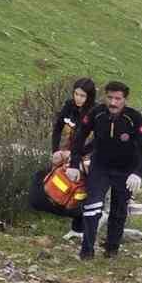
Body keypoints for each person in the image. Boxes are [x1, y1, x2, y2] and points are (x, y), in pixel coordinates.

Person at [65, 80, 142, 260]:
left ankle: (111, 250)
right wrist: (74, 163)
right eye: (110, 97)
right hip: (100, 167)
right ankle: (87, 251)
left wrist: (138, 173)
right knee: (92, 206)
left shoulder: (134, 118)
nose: (113, 102)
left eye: (118, 99)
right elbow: (79, 137)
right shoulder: (96, 113)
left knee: (119, 211)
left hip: (126, 170)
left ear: (125, 100)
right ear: (105, 97)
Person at [39, 78, 98, 233]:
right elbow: (58, 128)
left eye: (82, 96)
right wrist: (55, 151)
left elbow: (97, 141)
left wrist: (76, 155)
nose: (78, 98)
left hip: (88, 155)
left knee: (82, 189)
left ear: (89, 97)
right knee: (58, 182)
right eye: (76, 94)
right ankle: (60, 211)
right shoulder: (69, 106)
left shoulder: (96, 112)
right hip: (68, 150)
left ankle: (82, 226)